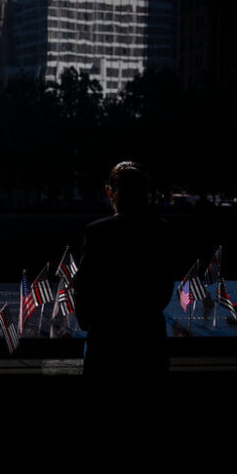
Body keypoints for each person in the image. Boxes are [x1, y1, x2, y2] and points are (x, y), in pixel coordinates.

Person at [72, 161, 178, 386]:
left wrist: (88, 321)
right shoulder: (163, 231)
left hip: (106, 335)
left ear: (110, 191)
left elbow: (85, 284)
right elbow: (164, 287)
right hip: (148, 333)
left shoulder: (98, 232)